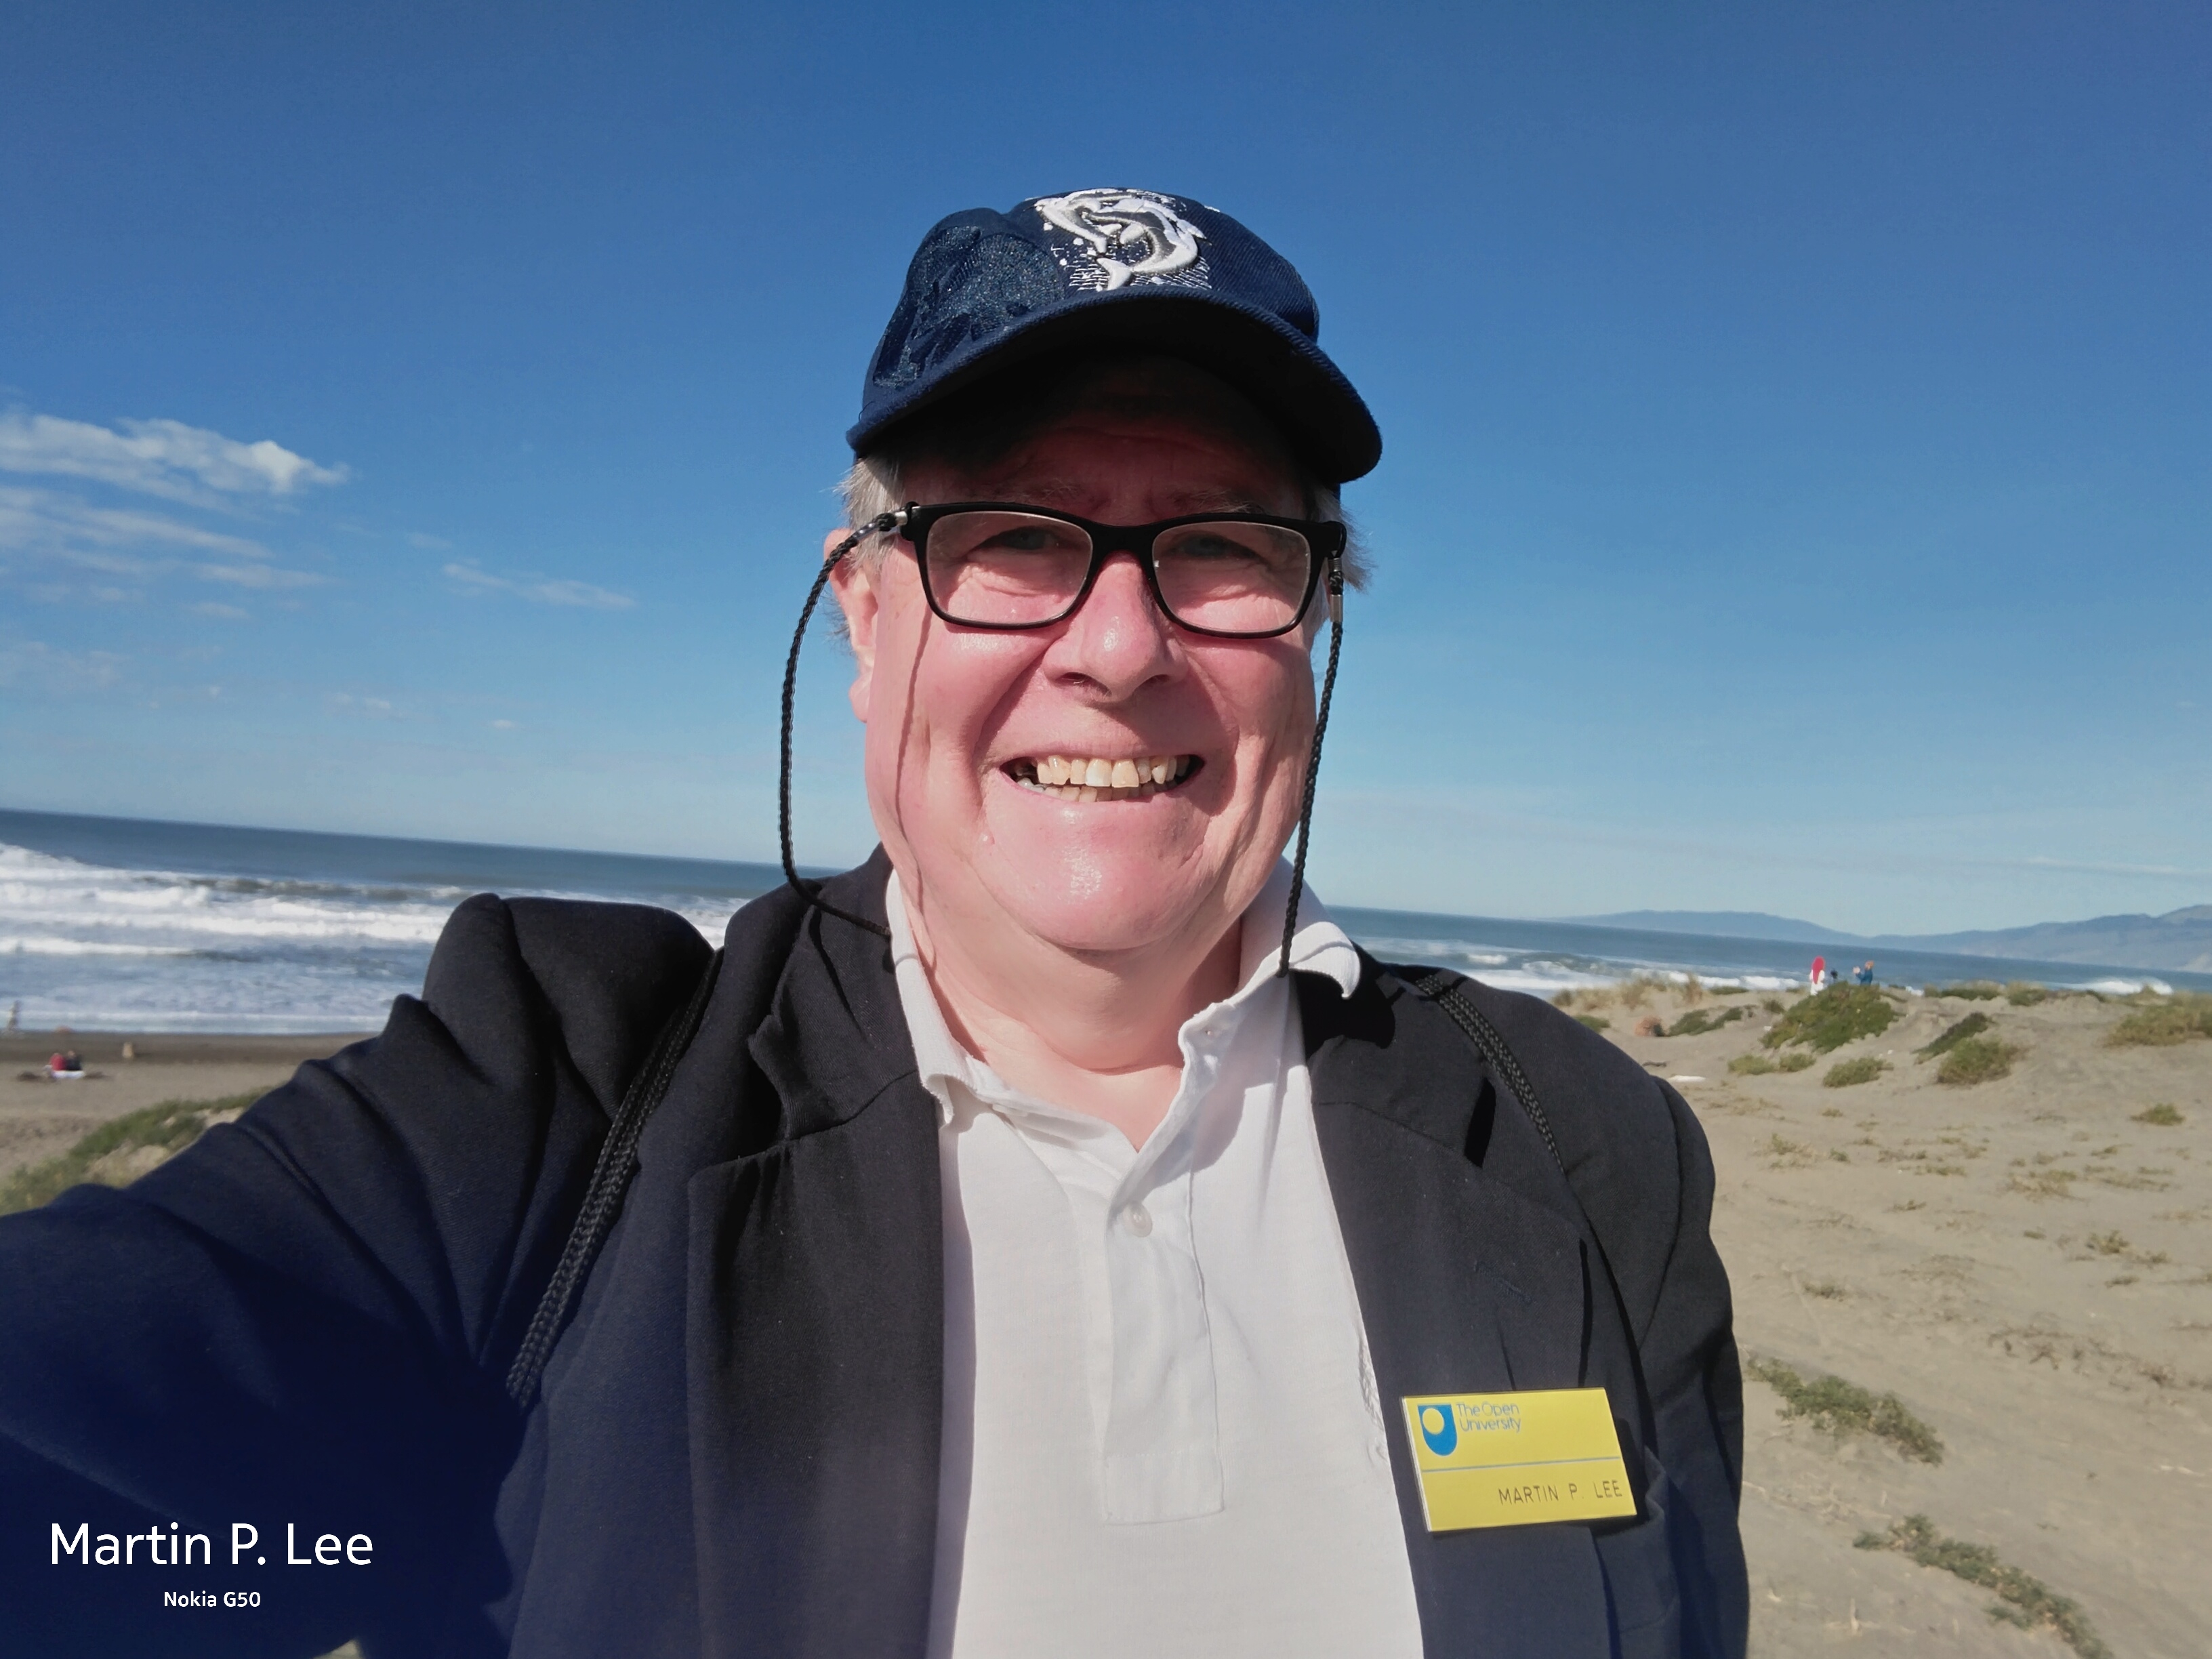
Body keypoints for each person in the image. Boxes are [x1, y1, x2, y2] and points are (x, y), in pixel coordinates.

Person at [0, 188, 1745, 1658]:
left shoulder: (1589, 1156)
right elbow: (96, 1477)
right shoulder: (552, 1095)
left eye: (1221, 546)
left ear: (1314, 628)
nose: (1121, 651)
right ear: (861, 614)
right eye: (1007, 535)